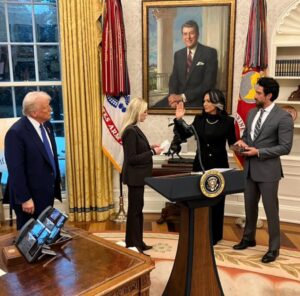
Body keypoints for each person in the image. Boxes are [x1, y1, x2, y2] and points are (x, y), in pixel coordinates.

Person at [233, 77, 294, 263]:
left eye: (258, 93)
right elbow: (247, 136)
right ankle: (248, 238)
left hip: (268, 172)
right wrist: (242, 142)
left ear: (269, 95)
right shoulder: (251, 113)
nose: (254, 95)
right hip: (249, 169)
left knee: (271, 211)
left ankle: (274, 248)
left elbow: (285, 147)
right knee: (249, 207)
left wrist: (259, 152)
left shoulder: (283, 117)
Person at [174, 89, 236, 245]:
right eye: (204, 101)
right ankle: (199, 233)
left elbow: (233, 144)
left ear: (217, 102)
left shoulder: (228, 121)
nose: (205, 104)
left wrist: (245, 147)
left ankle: (214, 236)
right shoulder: (199, 119)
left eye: (208, 101)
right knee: (199, 201)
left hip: (219, 167)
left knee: (216, 202)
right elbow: (185, 135)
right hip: (200, 166)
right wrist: (179, 120)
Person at [4, 91, 61, 230]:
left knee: (44, 233)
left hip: (47, 192)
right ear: (34, 113)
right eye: (46, 107)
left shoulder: (47, 125)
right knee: (29, 240)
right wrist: (25, 198)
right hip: (30, 199)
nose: (50, 109)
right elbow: (15, 169)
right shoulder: (16, 132)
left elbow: (49, 157)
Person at [120, 97, 163, 253]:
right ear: (137, 112)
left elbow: (137, 150)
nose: (146, 114)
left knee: (137, 210)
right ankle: (133, 243)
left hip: (138, 178)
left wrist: (150, 147)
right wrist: (152, 152)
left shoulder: (134, 128)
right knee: (135, 211)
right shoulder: (130, 131)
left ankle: (136, 241)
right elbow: (131, 159)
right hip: (135, 178)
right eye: (144, 111)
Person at [154, 20, 218, 108]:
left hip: (197, 100)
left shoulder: (209, 53)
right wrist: (173, 97)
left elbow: (208, 84)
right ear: (182, 36)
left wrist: (182, 97)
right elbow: (174, 79)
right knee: (155, 108)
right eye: (185, 34)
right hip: (177, 99)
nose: (188, 37)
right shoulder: (178, 54)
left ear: (198, 34)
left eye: (191, 33)